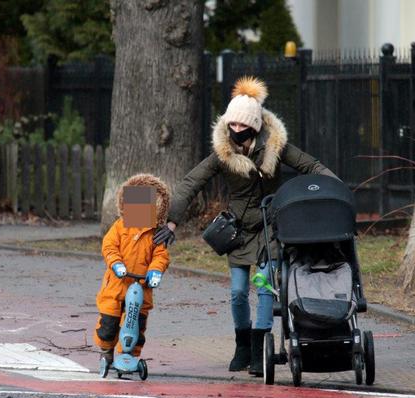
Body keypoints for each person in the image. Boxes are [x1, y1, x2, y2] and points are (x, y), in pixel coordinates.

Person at [154, 76, 336, 376]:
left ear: (255, 126)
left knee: (264, 285)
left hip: (270, 226)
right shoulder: (222, 154)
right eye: (232, 126)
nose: (237, 131)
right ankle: (241, 343)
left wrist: (335, 189)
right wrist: (172, 221)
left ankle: (258, 348)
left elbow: (311, 166)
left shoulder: (276, 148)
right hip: (237, 231)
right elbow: (190, 183)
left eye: (243, 126)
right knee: (238, 291)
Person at [94, 173, 170, 365]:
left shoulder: (154, 234)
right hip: (116, 285)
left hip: (141, 286)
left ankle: (131, 355)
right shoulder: (120, 227)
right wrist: (116, 263)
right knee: (109, 323)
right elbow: (109, 246)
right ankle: (106, 350)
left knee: (137, 323)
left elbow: (161, 256)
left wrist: (155, 271)